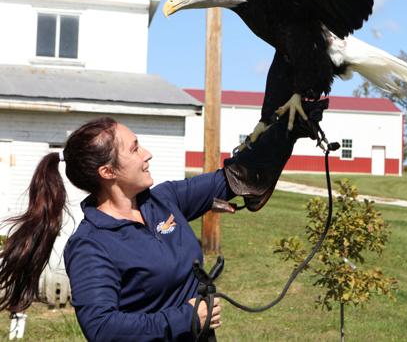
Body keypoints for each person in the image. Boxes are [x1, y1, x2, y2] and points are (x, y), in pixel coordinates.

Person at [0, 99, 327, 341]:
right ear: (108, 172)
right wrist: (186, 318)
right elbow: (102, 328)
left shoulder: (163, 200)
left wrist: (286, 130)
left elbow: (234, 178)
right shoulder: (91, 244)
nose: (147, 154)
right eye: (135, 149)